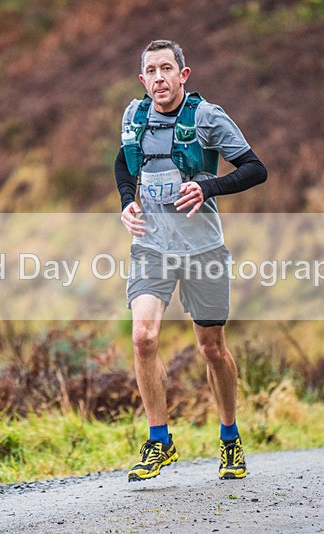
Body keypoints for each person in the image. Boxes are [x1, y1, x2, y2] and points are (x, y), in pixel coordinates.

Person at [114, 39, 268, 481]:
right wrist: (127, 202)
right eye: (151, 71)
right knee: (143, 337)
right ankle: (159, 440)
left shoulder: (207, 117)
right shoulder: (134, 116)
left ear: (184, 75)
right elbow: (124, 164)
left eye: (167, 68)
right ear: (143, 80)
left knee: (211, 347)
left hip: (203, 249)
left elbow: (255, 168)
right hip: (151, 246)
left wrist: (209, 188)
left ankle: (230, 439)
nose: (159, 77)